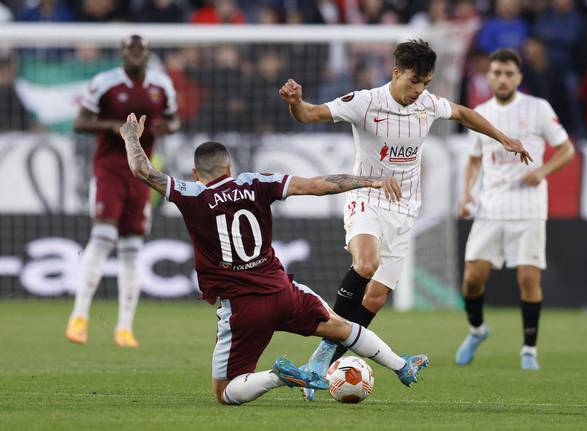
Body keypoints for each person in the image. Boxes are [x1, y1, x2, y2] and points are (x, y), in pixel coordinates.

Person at [278, 38, 532, 400]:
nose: (419, 91)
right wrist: (295, 104)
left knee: (377, 298)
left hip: (405, 209)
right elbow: (310, 114)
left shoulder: (427, 105)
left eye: (426, 83)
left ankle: (321, 359)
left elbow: (462, 113)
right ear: (396, 73)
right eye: (414, 81)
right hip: (366, 197)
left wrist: (504, 138)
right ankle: (322, 355)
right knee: (366, 264)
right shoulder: (365, 103)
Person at [119, 112, 430, 405]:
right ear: (230, 169)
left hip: (242, 308)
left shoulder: (192, 193)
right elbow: (316, 185)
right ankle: (402, 365)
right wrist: (369, 181)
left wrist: (132, 138)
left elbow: (142, 170)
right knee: (343, 327)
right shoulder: (256, 182)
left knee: (224, 392)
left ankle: (278, 376)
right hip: (284, 294)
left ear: (196, 174)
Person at [455, 49, 575, 370]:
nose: (503, 79)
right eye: (497, 73)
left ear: (519, 77)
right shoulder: (480, 112)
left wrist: (542, 172)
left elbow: (567, 149)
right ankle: (477, 330)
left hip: (528, 208)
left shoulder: (537, 109)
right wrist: (466, 193)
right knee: (471, 280)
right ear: (489, 76)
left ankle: (529, 350)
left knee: (527, 278)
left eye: (509, 73)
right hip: (490, 208)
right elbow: (475, 157)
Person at [65, 35, 180, 348]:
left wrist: (157, 129)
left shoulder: (161, 86)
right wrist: (115, 127)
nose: (135, 55)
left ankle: (125, 327)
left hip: (141, 172)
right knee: (102, 237)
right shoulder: (104, 83)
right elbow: (79, 122)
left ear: (147, 54)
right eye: (130, 50)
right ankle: (79, 316)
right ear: (122, 54)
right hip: (110, 169)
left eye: (140, 50)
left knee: (132, 246)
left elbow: (174, 121)